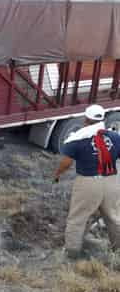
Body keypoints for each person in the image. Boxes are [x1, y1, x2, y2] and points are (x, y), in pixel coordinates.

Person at [54, 105, 120, 259]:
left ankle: (71, 254)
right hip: (111, 181)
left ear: (86, 119)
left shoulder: (78, 138)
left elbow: (66, 163)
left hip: (88, 183)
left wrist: (57, 174)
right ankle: (117, 251)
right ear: (102, 119)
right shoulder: (115, 137)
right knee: (113, 217)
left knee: (77, 218)